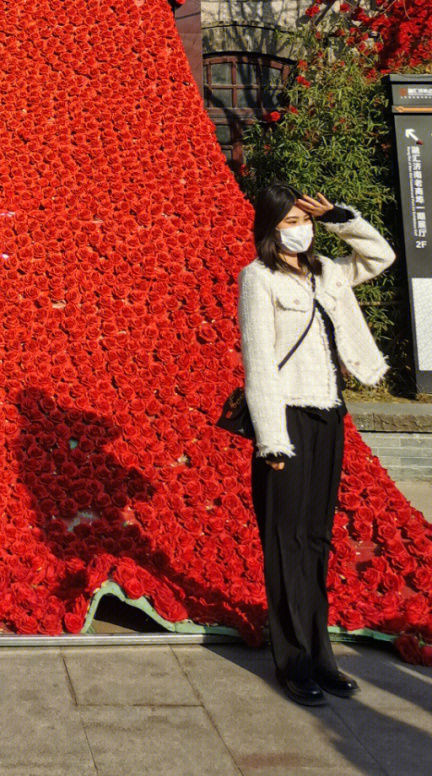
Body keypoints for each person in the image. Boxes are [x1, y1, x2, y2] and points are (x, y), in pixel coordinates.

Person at [238, 187, 393, 706]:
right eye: (290, 220)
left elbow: (380, 255)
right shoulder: (258, 279)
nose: (299, 226)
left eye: (304, 217)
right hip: (285, 420)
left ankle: (321, 657)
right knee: (286, 543)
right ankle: (293, 662)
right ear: (270, 228)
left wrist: (338, 218)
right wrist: (272, 440)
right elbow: (259, 364)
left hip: (328, 414)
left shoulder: (327, 269)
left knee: (316, 541)